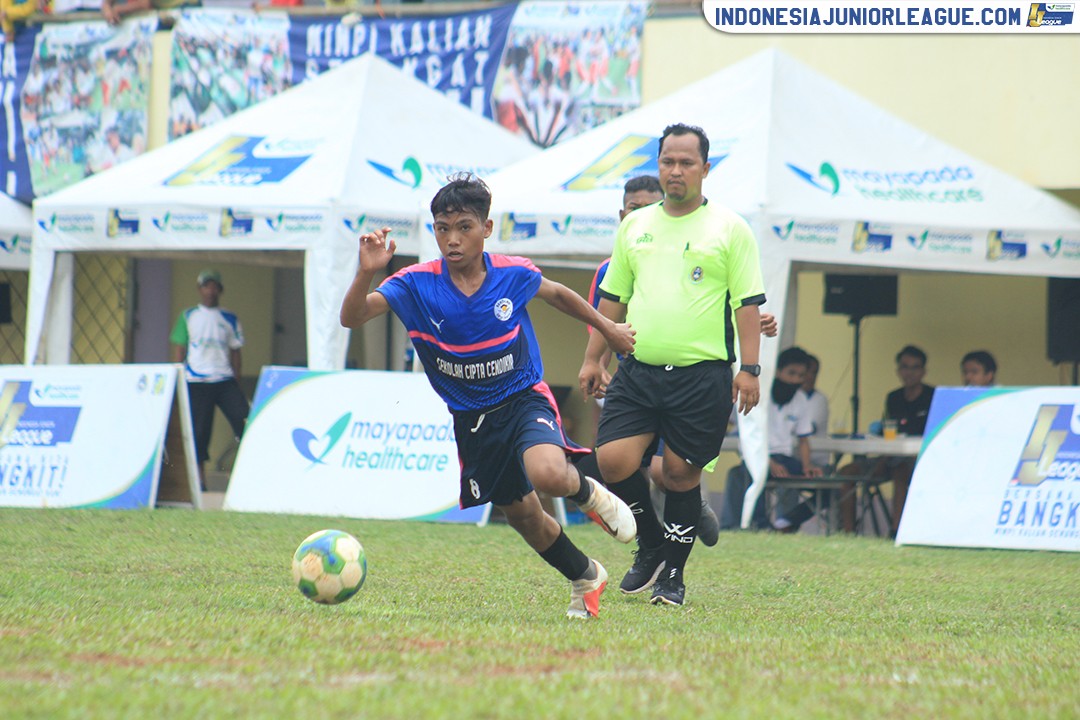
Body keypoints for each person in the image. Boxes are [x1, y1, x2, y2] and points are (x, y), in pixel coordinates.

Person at [339, 174, 638, 620]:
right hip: (473, 418)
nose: (452, 239)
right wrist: (366, 272)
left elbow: (558, 294)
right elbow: (353, 317)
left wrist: (609, 329)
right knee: (525, 519)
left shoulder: (511, 273)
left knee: (550, 474)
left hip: (522, 397)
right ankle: (584, 575)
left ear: (487, 228)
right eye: (442, 228)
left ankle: (588, 492)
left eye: (464, 227)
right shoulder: (414, 283)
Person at [579, 123, 766, 607]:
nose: (676, 171)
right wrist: (592, 358)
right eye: (668, 162)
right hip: (638, 371)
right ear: (658, 165)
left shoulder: (730, 228)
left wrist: (751, 368)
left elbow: (747, 304)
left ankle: (673, 578)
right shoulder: (635, 227)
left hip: (702, 376)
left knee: (680, 474)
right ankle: (652, 541)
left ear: (705, 169)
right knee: (613, 460)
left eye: (686, 163)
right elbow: (612, 299)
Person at [720, 347, 823, 533]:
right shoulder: (758, 392)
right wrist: (767, 461)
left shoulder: (800, 399)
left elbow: (803, 439)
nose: (795, 380)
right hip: (758, 455)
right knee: (749, 472)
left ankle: (785, 522)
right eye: (791, 373)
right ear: (778, 371)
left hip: (785, 459)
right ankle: (754, 526)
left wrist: (807, 465)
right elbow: (747, 433)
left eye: (800, 375)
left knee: (828, 484)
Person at [839, 345, 935, 535]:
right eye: (905, 367)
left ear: (923, 371)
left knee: (901, 472)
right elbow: (886, 429)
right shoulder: (893, 397)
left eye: (915, 367)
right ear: (898, 371)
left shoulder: (932, 396)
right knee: (846, 472)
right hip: (887, 457)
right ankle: (847, 530)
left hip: (917, 460)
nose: (909, 373)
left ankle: (895, 530)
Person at [170, 270, 250, 491]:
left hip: (224, 379)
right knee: (199, 431)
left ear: (220, 290)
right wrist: (179, 376)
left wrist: (237, 377)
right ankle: (199, 480)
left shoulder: (230, 318)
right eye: (206, 286)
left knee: (243, 418)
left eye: (215, 286)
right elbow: (179, 348)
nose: (211, 291)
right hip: (196, 380)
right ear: (199, 289)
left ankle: (247, 471)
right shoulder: (188, 316)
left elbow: (236, 351)